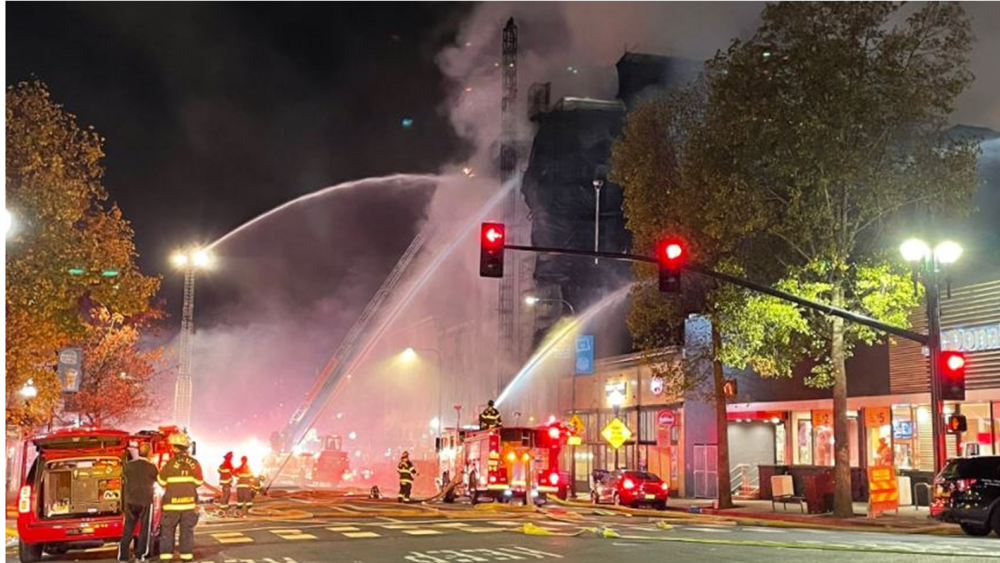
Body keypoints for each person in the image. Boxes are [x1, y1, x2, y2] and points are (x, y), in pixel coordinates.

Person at [158, 431, 203, 561]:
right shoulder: (195, 463)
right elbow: (199, 482)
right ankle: (186, 557)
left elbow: (161, 482)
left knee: (167, 532)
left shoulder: (169, 463)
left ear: (175, 448)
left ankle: (166, 557)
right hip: (189, 505)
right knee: (187, 532)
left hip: (171, 505)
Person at [118, 442, 158, 562]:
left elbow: (122, 478)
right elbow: (159, 480)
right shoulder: (151, 467)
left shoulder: (128, 466)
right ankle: (140, 555)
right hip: (146, 501)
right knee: (145, 529)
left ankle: (123, 556)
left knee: (128, 528)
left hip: (130, 501)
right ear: (149, 453)